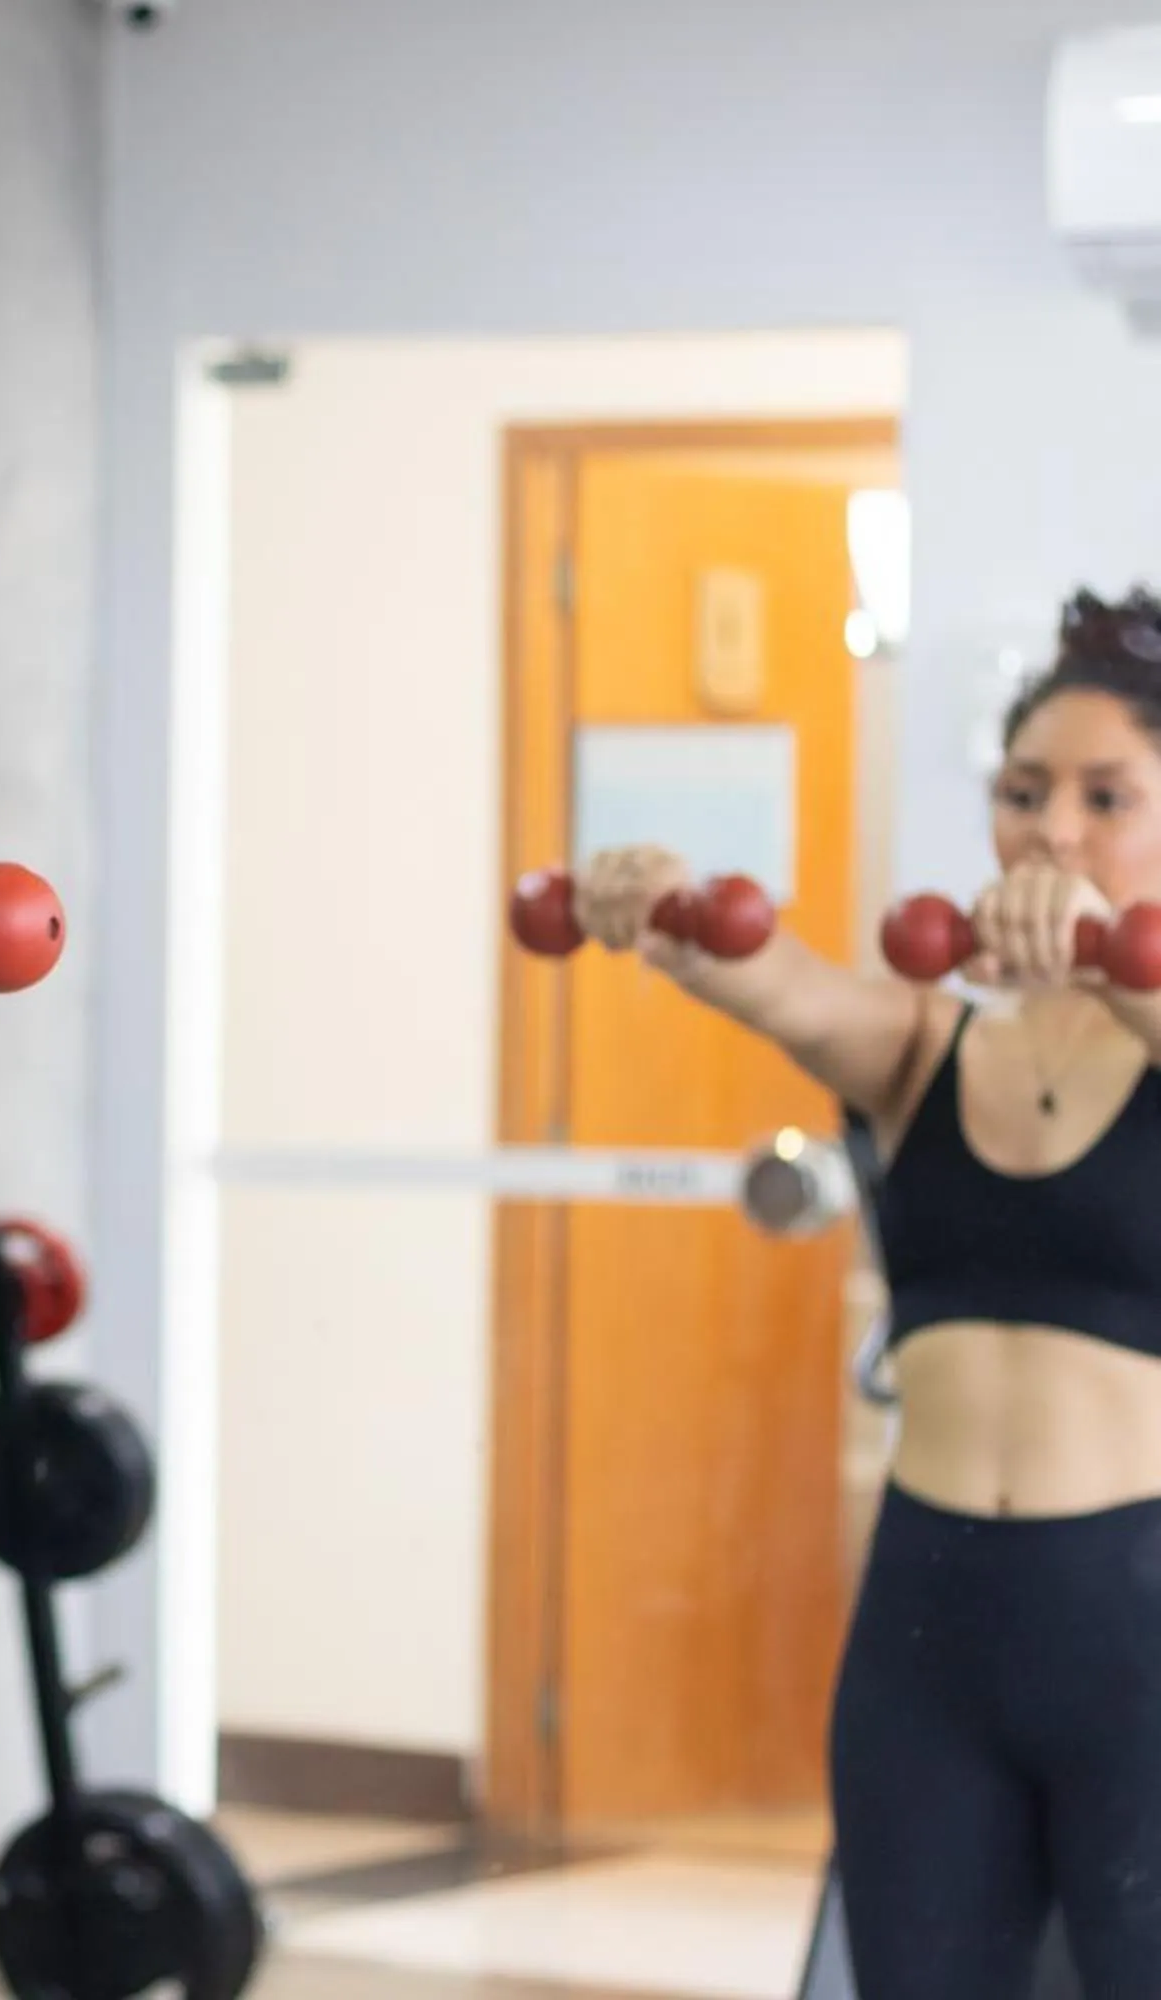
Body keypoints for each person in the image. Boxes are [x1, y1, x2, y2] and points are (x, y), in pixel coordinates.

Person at [572, 587, 1161, 2000]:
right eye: (1024, 793)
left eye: (1105, 794)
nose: (1053, 829)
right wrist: (661, 907)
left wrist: (1098, 945)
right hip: (930, 1627)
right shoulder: (921, 1044)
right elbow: (782, 985)